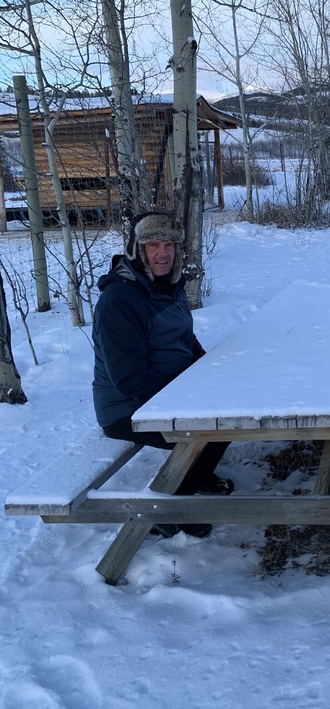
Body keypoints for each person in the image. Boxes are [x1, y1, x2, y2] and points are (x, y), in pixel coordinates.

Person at [92, 211, 233, 539]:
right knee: (214, 428)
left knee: (225, 411)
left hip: (167, 392)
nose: (163, 252)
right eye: (153, 244)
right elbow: (129, 379)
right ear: (137, 251)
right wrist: (186, 402)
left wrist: (205, 366)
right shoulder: (120, 300)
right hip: (128, 408)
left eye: (168, 244)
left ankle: (194, 473)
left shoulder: (169, 285)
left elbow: (184, 337)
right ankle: (168, 512)